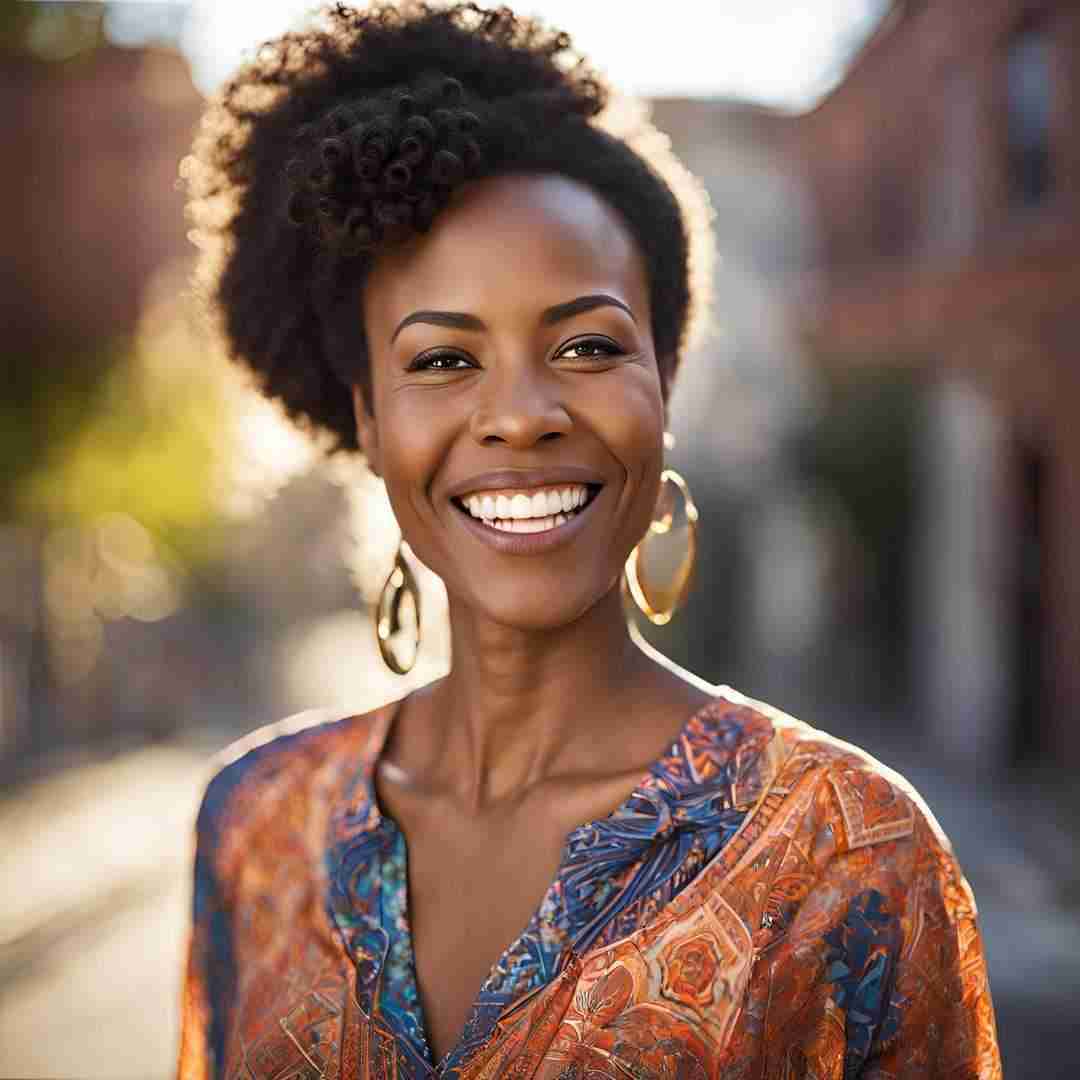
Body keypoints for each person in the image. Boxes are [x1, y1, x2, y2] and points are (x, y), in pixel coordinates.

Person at [176, 4, 1002, 1078]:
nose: (521, 414)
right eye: (441, 360)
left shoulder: (849, 854)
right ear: (368, 420)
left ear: (663, 385)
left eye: (585, 344)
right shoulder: (254, 825)